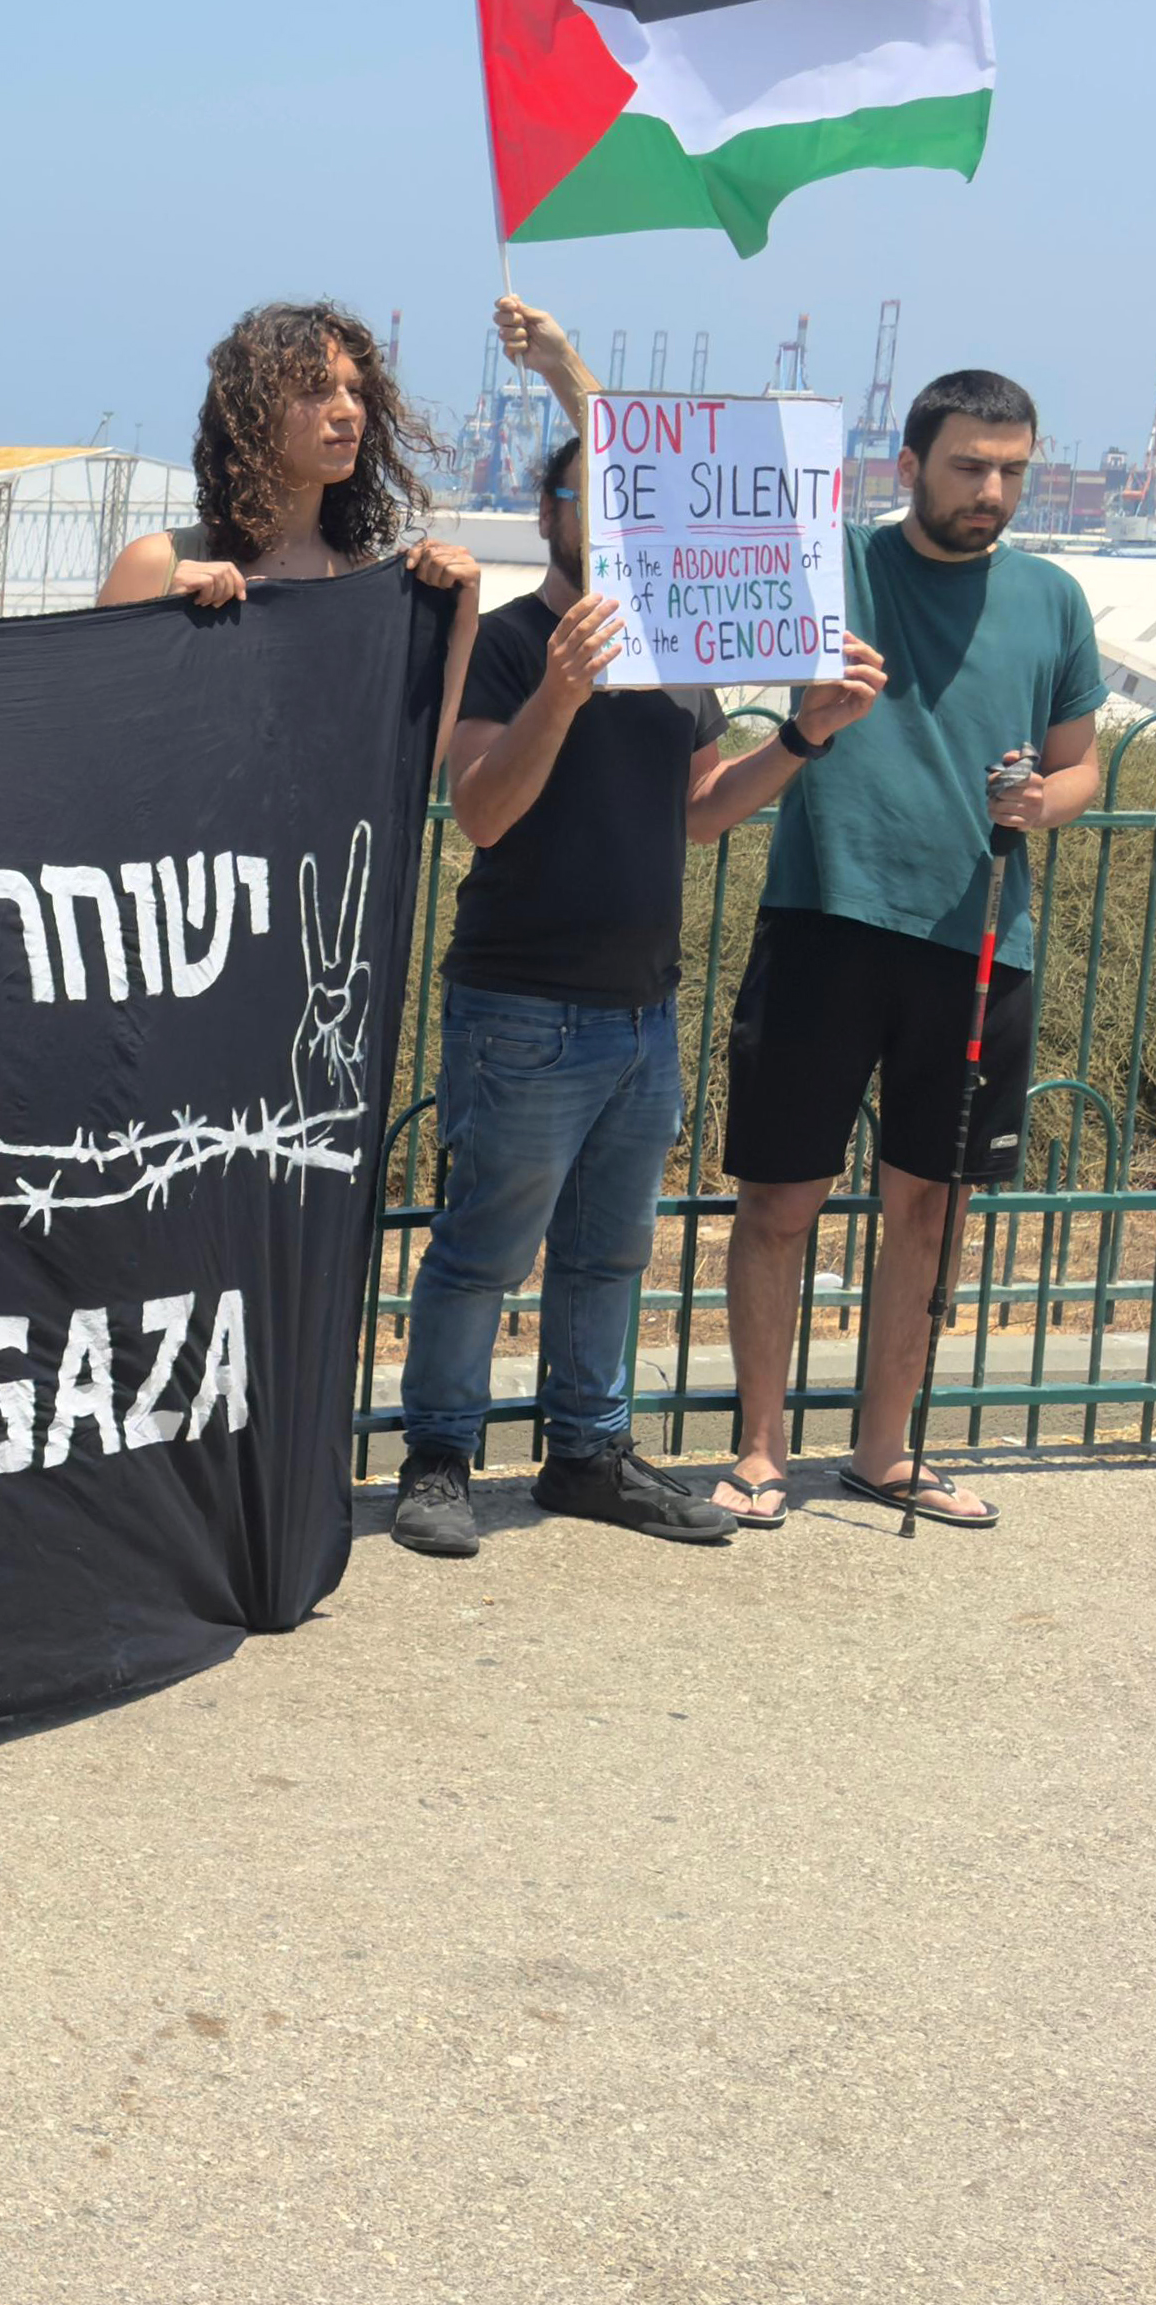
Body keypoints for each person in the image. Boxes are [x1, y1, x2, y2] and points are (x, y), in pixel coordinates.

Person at [389, 300, 884, 1560]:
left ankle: (585, 1452)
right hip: (522, 1004)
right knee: (482, 1251)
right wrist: (562, 685)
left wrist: (806, 735)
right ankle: (439, 1456)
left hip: (640, 1011)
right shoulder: (506, 646)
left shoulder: (685, 652)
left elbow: (704, 814)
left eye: (630, 501)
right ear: (552, 515)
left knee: (610, 1256)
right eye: (589, 495)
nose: (612, 517)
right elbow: (483, 814)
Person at [715, 368, 1103, 1530]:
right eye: (970, 467)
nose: (993, 491)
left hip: (980, 937)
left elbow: (1080, 764)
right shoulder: (836, 559)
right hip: (825, 923)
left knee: (929, 1209)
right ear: (909, 468)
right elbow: (673, 493)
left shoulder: (1053, 599)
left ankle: (884, 1450)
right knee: (780, 1201)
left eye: (1012, 471)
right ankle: (759, 1452)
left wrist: (1048, 804)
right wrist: (558, 370)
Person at [98, 299, 482, 749]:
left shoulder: (372, 584)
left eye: (356, 392)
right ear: (253, 416)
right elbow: (87, 742)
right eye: (314, 391)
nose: (347, 411)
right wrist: (163, 624)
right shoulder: (159, 566)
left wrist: (464, 616)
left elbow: (408, 768)